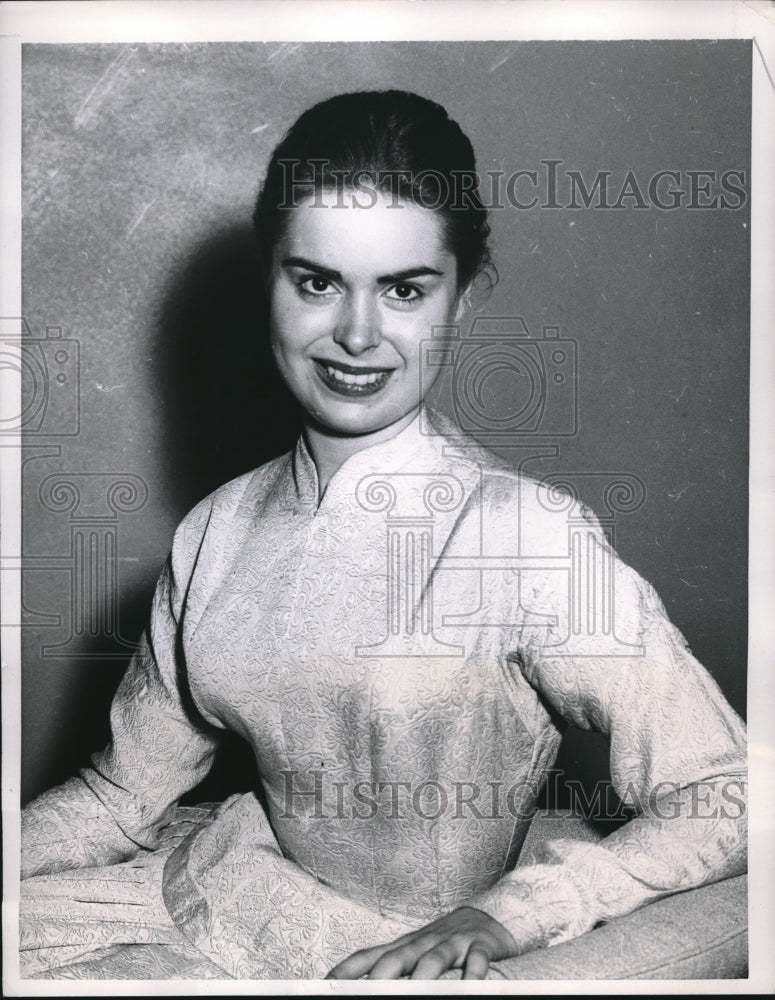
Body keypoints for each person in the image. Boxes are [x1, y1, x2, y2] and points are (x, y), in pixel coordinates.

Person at [19, 90, 747, 981]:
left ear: (464, 297)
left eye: (403, 289)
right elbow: (121, 795)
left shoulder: (526, 534)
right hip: (206, 891)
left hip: (377, 952)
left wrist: (511, 914)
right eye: (316, 281)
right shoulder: (215, 527)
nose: (356, 336)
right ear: (269, 282)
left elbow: (728, 793)